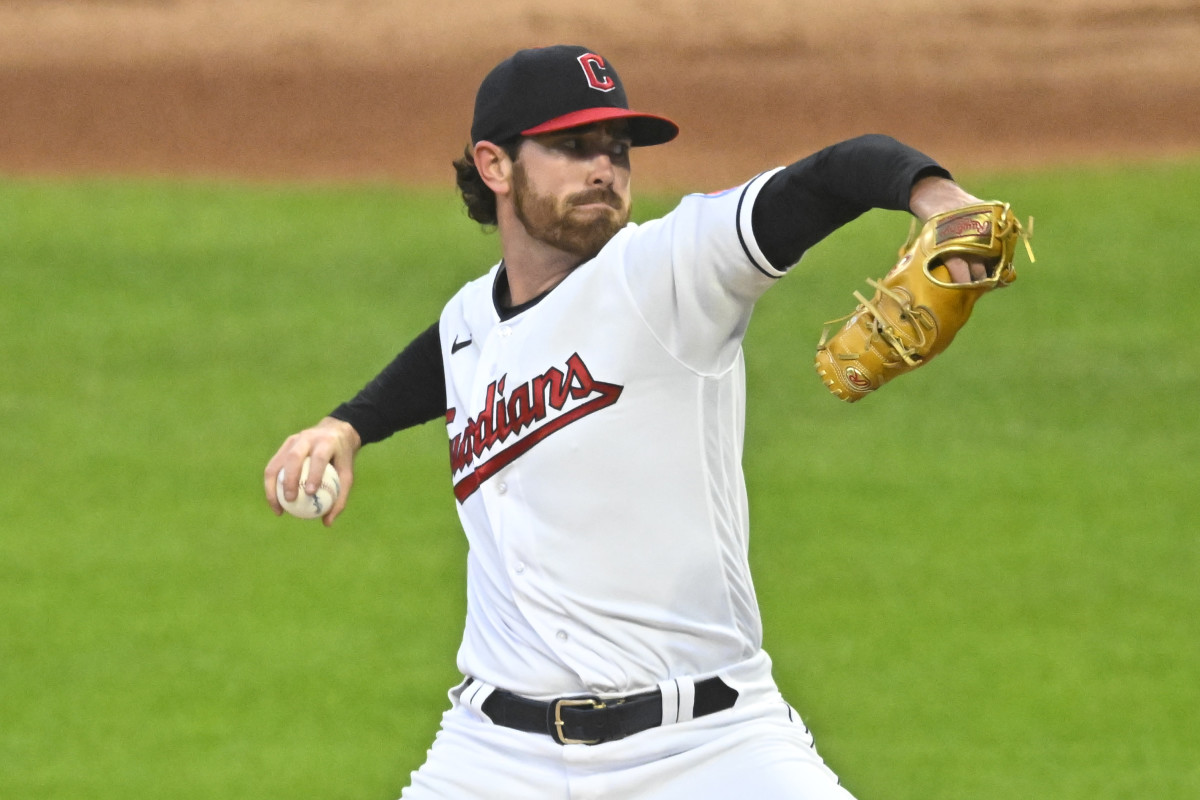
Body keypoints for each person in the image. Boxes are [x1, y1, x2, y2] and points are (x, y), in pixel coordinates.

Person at [264, 44, 999, 799]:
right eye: (572, 148)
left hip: (707, 747)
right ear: (494, 164)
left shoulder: (670, 270)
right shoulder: (471, 317)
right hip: (494, 758)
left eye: (617, 152)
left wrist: (935, 197)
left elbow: (831, 174)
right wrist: (347, 426)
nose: (603, 171)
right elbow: (450, 352)